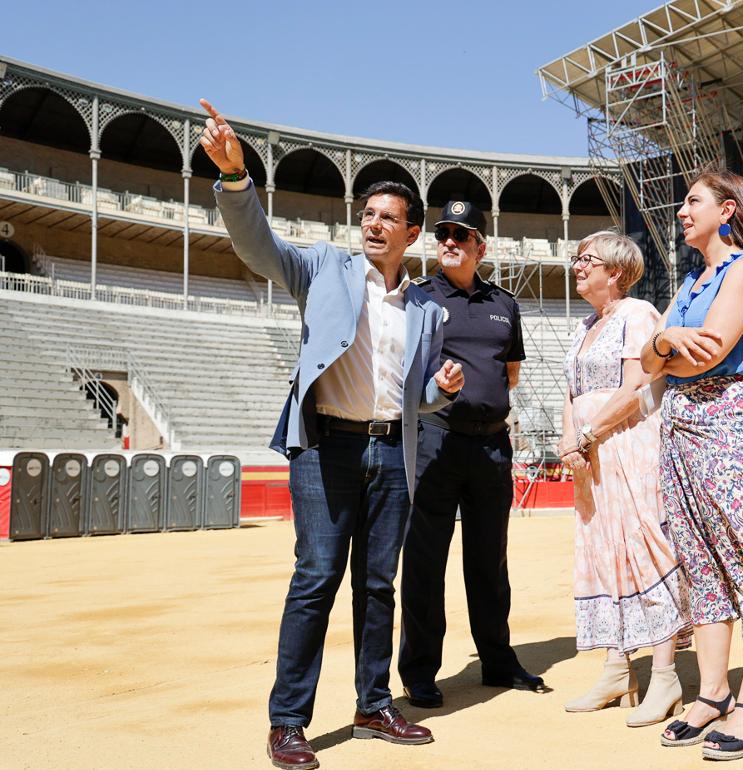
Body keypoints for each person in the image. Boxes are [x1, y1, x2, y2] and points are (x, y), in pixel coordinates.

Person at [199, 99, 464, 770]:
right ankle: (288, 720)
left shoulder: (426, 309)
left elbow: (416, 398)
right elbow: (257, 245)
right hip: (326, 446)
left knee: (379, 584)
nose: (375, 225)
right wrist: (236, 178)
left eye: (388, 218)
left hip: (392, 447)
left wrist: (442, 392)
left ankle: (373, 705)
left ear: (412, 233)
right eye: (368, 215)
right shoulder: (323, 268)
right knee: (317, 576)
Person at [640, 165, 743, 761]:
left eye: (693, 201)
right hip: (680, 426)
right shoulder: (690, 281)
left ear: (727, 211)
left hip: (727, 419)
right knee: (699, 564)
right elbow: (653, 362)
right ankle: (713, 693)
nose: (682, 211)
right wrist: (667, 344)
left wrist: (668, 346)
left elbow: (709, 354)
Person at [397, 199, 544, 709]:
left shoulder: (506, 304)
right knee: (424, 560)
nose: (451, 242)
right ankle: (418, 671)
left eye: (462, 235)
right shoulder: (416, 298)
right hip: (436, 437)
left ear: (482, 245)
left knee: (489, 560)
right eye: (444, 235)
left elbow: (510, 373)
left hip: (491, 445)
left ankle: (498, 661)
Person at [557, 231, 691, 726]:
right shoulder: (586, 325)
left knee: (642, 544)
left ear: (614, 271)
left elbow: (638, 386)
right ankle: (617, 668)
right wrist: (570, 437)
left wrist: (588, 433)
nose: (577, 266)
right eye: (576, 259)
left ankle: (663, 675)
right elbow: (572, 391)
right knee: (601, 549)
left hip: (628, 445)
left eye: (585, 259)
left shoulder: (637, 314)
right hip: (590, 454)